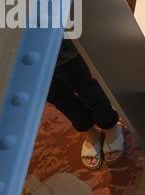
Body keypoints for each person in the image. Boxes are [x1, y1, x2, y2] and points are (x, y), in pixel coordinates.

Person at [47, 40, 126, 170]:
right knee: (58, 98)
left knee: (86, 87)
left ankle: (110, 125)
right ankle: (89, 131)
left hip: (51, 38)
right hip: (17, 50)